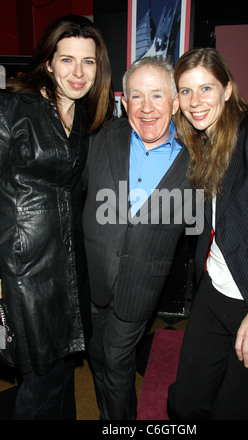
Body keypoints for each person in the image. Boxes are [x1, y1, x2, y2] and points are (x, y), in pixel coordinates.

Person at [167, 47, 248, 420]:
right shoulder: (200, 142)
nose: (195, 102)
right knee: (186, 402)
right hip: (215, 291)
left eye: (206, 88)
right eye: (186, 91)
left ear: (228, 89)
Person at [0, 15, 114, 420]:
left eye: (88, 62)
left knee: (63, 374)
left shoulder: (83, 118)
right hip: (24, 270)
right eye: (67, 60)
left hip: (68, 264)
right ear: (48, 63)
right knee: (40, 382)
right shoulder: (12, 108)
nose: (78, 73)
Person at [82, 56, 199, 420]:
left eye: (157, 96)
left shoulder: (198, 160)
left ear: (175, 102)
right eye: (136, 96)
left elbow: (216, 225)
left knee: (117, 362)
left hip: (140, 288)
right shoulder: (100, 138)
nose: (146, 108)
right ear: (123, 101)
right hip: (92, 277)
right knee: (97, 357)